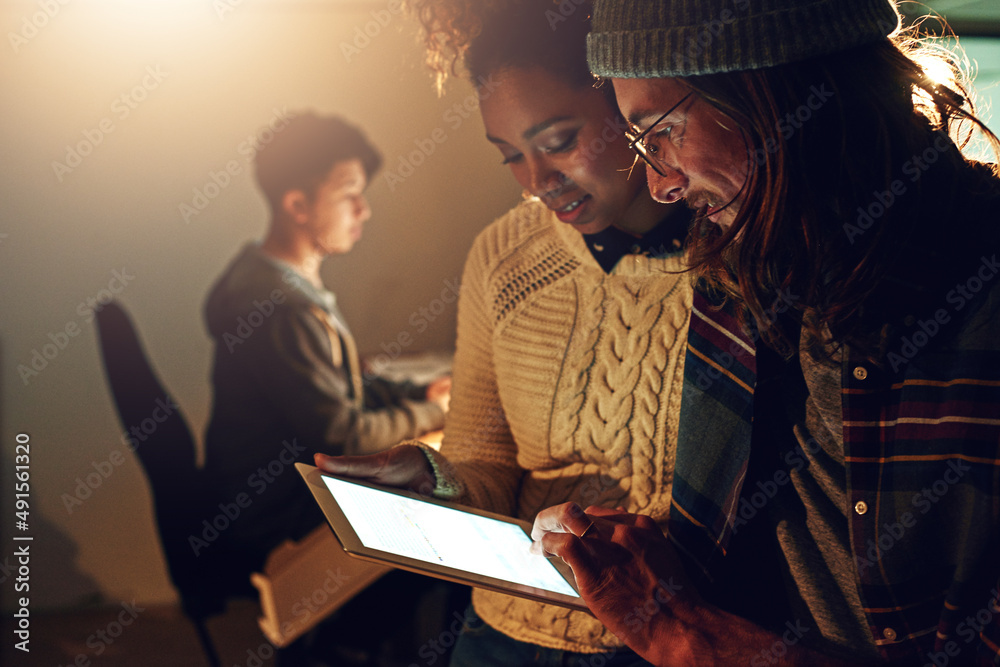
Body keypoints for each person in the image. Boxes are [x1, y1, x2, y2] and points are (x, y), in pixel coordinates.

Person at [532, 0, 1000, 665]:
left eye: (660, 132)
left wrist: (695, 641)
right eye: (643, 149)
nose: (661, 183)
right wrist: (666, 567)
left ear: (775, 92)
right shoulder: (741, 268)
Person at [315, 1, 693, 664]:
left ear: (628, 105)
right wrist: (433, 479)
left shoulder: (726, 243)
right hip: (506, 627)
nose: (538, 182)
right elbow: (486, 469)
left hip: (662, 635)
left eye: (557, 142)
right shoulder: (503, 256)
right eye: (509, 157)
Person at [202, 111, 450, 567]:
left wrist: (420, 392)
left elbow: (345, 386)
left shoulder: (277, 282)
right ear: (297, 206)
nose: (364, 210)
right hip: (276, 517)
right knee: (443, 518)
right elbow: (344, 437)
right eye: (348, 195)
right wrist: (435, 411)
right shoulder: (282, 311)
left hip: (276, 498)